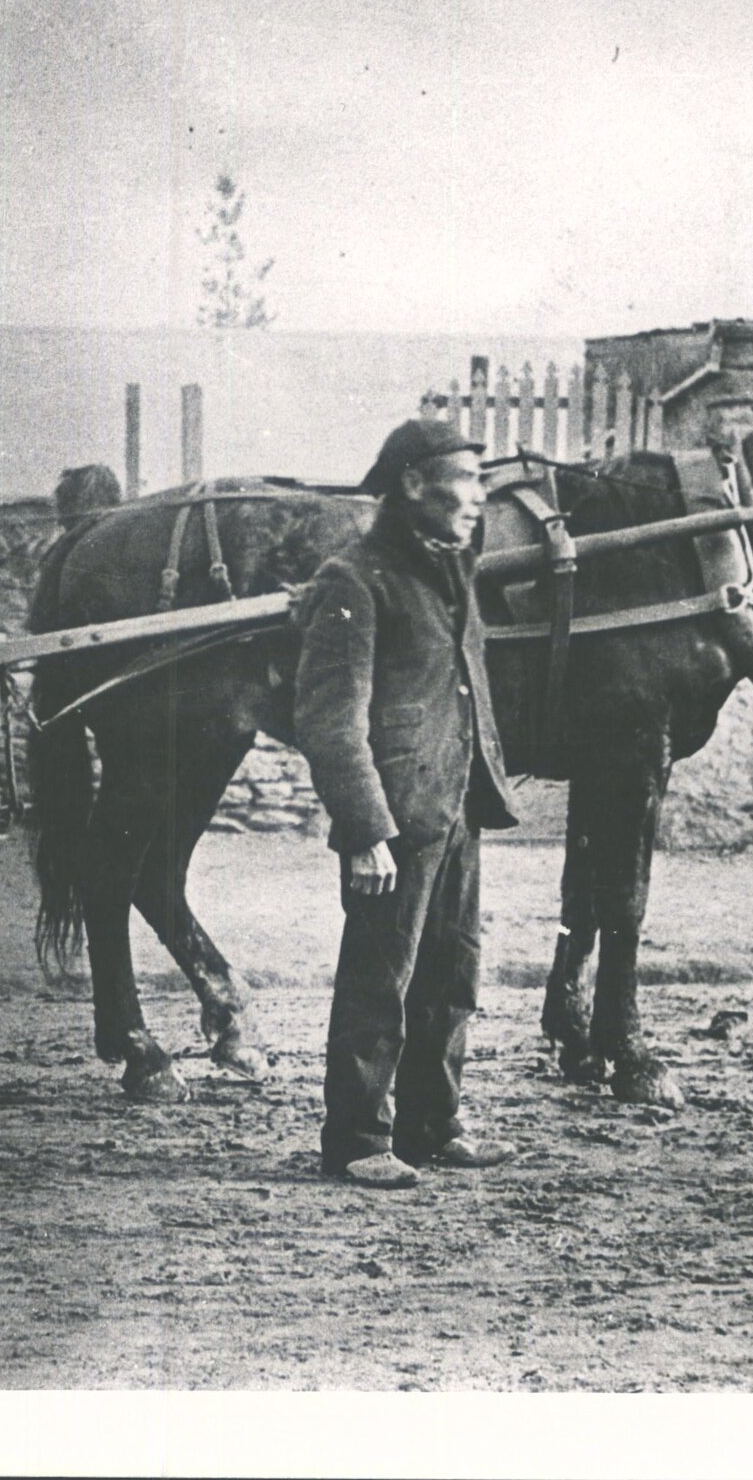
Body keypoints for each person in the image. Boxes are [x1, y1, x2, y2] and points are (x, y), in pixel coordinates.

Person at [292, 418, 521, 1190]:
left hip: (455, 803)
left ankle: (432, 1124)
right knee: (378, 979)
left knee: (451, 974)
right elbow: (331, 720)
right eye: (467, 480)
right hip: (393, 820)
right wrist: (365, 830)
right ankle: (357, 1138)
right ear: (414, 484)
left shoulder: (450, 570)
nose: (480, 497)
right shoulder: (354, 580)